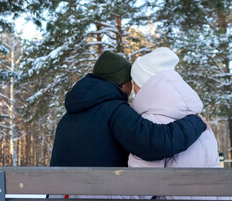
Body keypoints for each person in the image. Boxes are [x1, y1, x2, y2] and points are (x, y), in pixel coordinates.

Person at [50, 50, 208, 168]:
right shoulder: (115, 111)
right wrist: (195, 122)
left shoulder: (67, 118)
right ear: (124, 84)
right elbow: (155, 143)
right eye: (132, 82)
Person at [128, 47, 219, 200]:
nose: (133, 89)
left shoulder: (151, 124)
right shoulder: (199, 121)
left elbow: (141, 188)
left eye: (134, 82)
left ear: (144, 84)